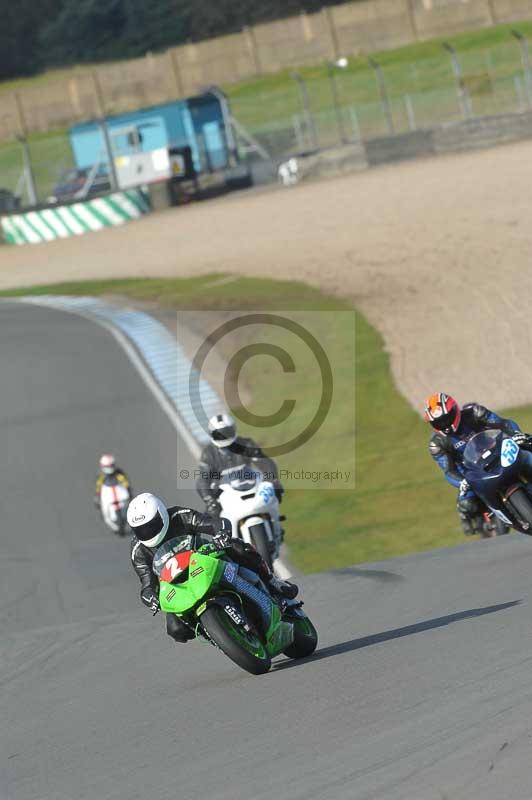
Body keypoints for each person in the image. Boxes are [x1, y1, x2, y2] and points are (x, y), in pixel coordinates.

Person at [127, 492, 298, 643]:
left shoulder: (179, 515)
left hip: (206, 558)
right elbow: (146, 584)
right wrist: (151, 598)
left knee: (239, 547)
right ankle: (216, 634)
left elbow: (215, 523)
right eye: (140, 530)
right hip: (179, 584)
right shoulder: (138, 550)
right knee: (176, 630)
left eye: (150, 526)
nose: (147, 532)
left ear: (161, 514)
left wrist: (221, 534)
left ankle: (272, 581)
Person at [425, 392, 532, 534]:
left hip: (497, 452)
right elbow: (448, 471)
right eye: (439, 422)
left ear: (455, 410)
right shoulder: (437, 444)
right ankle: (478, 520)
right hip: (472, 472)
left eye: (447, 418)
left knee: (527, 444)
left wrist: (515, 434)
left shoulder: (475, 413)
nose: (445, 424)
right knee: (466, 504)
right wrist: (462, 482)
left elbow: (504, 423)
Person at [196, 413, 284, 516]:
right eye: (219, 434)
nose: (223, 437)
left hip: (251, 486)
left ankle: (276, 527)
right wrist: (210, 500)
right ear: (211, 434)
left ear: (233, 429)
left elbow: (264, 462)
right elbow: (203, 480)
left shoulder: (246, 444)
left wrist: (273, 480)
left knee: (274, 498)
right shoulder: (208, 453)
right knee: (211, 516)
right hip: (225, 495)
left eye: (226, 432)